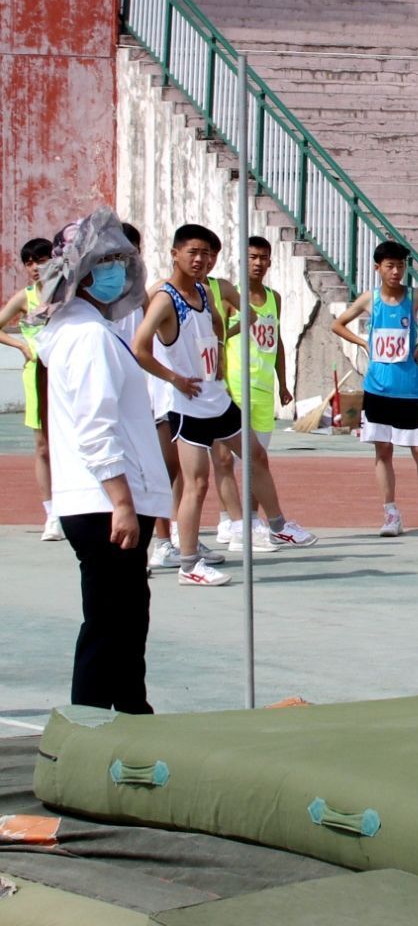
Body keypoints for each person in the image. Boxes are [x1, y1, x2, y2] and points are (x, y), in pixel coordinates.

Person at [34, 210, 171, 712]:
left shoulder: (81, 329)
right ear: (83, 272)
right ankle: (91, 725)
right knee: (111, 622)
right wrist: (122, 503)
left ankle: (131, 714)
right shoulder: (88, 337)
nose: (117, 270)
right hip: (104, 501)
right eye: (106, 260)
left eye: (121, 259)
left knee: (124, 619)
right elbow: (97, 425)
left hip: (103, 498)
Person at [131, 224, 241, 586]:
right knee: (173, 475)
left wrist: (219, 359)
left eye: (208, 254)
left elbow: (210, 334)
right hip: (172, 400)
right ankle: (168, 548)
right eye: (194, 252)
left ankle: (184, 544)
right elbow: (140, 347)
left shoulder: (204, 293)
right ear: (175, 253)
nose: (201, 260)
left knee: (202, 473)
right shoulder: (160, 296)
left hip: (207, 396)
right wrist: (173, 378)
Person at [332, 241, 418, 536]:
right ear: (378, 268)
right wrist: (362, 342)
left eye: (400, 266)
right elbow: (339, 325)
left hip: (408, 389)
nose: (396, 271)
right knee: (383, 450)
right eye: (390, 266)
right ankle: (391, 514)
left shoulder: (413, 297)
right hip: (377, 389)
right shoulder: (370, 299)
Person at [210, 237, 317, 549]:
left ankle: (251, 522)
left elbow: (278, 342)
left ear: (270, 262)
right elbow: (219, 338)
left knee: (257, 461)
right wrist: (223, 381)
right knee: (226, 459)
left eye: (264, 258)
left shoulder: (274, 298)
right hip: (235, 386)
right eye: (253, 257)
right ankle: (229, 522)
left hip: (263, 389)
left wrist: (283, 383)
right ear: (244, 260)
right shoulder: (231, 296)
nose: (258, 263)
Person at [0, 237, 59, 540]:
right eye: (30, 262)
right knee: (43, 446)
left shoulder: (67, 293)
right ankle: (52, 514)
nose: (36, 267)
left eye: (42, 259)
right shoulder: (24, 298)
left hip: (65, 375)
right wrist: (20, 345)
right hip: (36, 375)